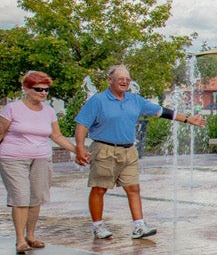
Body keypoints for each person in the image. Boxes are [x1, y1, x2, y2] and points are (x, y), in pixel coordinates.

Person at [73, 64, 206, 240]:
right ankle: (97, 226)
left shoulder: (135, 100)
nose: (124, 82)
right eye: (120, 79)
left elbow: (161, 111)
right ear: (110, 80)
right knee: (99, 188)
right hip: (104, 149)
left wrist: (188, 119)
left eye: (127, 79)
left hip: (129, 150)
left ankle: (139, 225)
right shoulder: (98, 101)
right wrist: (80, 147)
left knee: (133, 187)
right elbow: (82, 125)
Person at [0, 71, 80, 254]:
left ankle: (31, 235)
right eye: (38, 89)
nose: (43, 93)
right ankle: (20, 240)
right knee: (20, 197)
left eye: (46, 90)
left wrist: (77, 150)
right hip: (13, 158)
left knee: (36, 197)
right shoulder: (12, 109)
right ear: (26, 89)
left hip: (41, 158)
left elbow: (56, 135)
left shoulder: (48, 111)